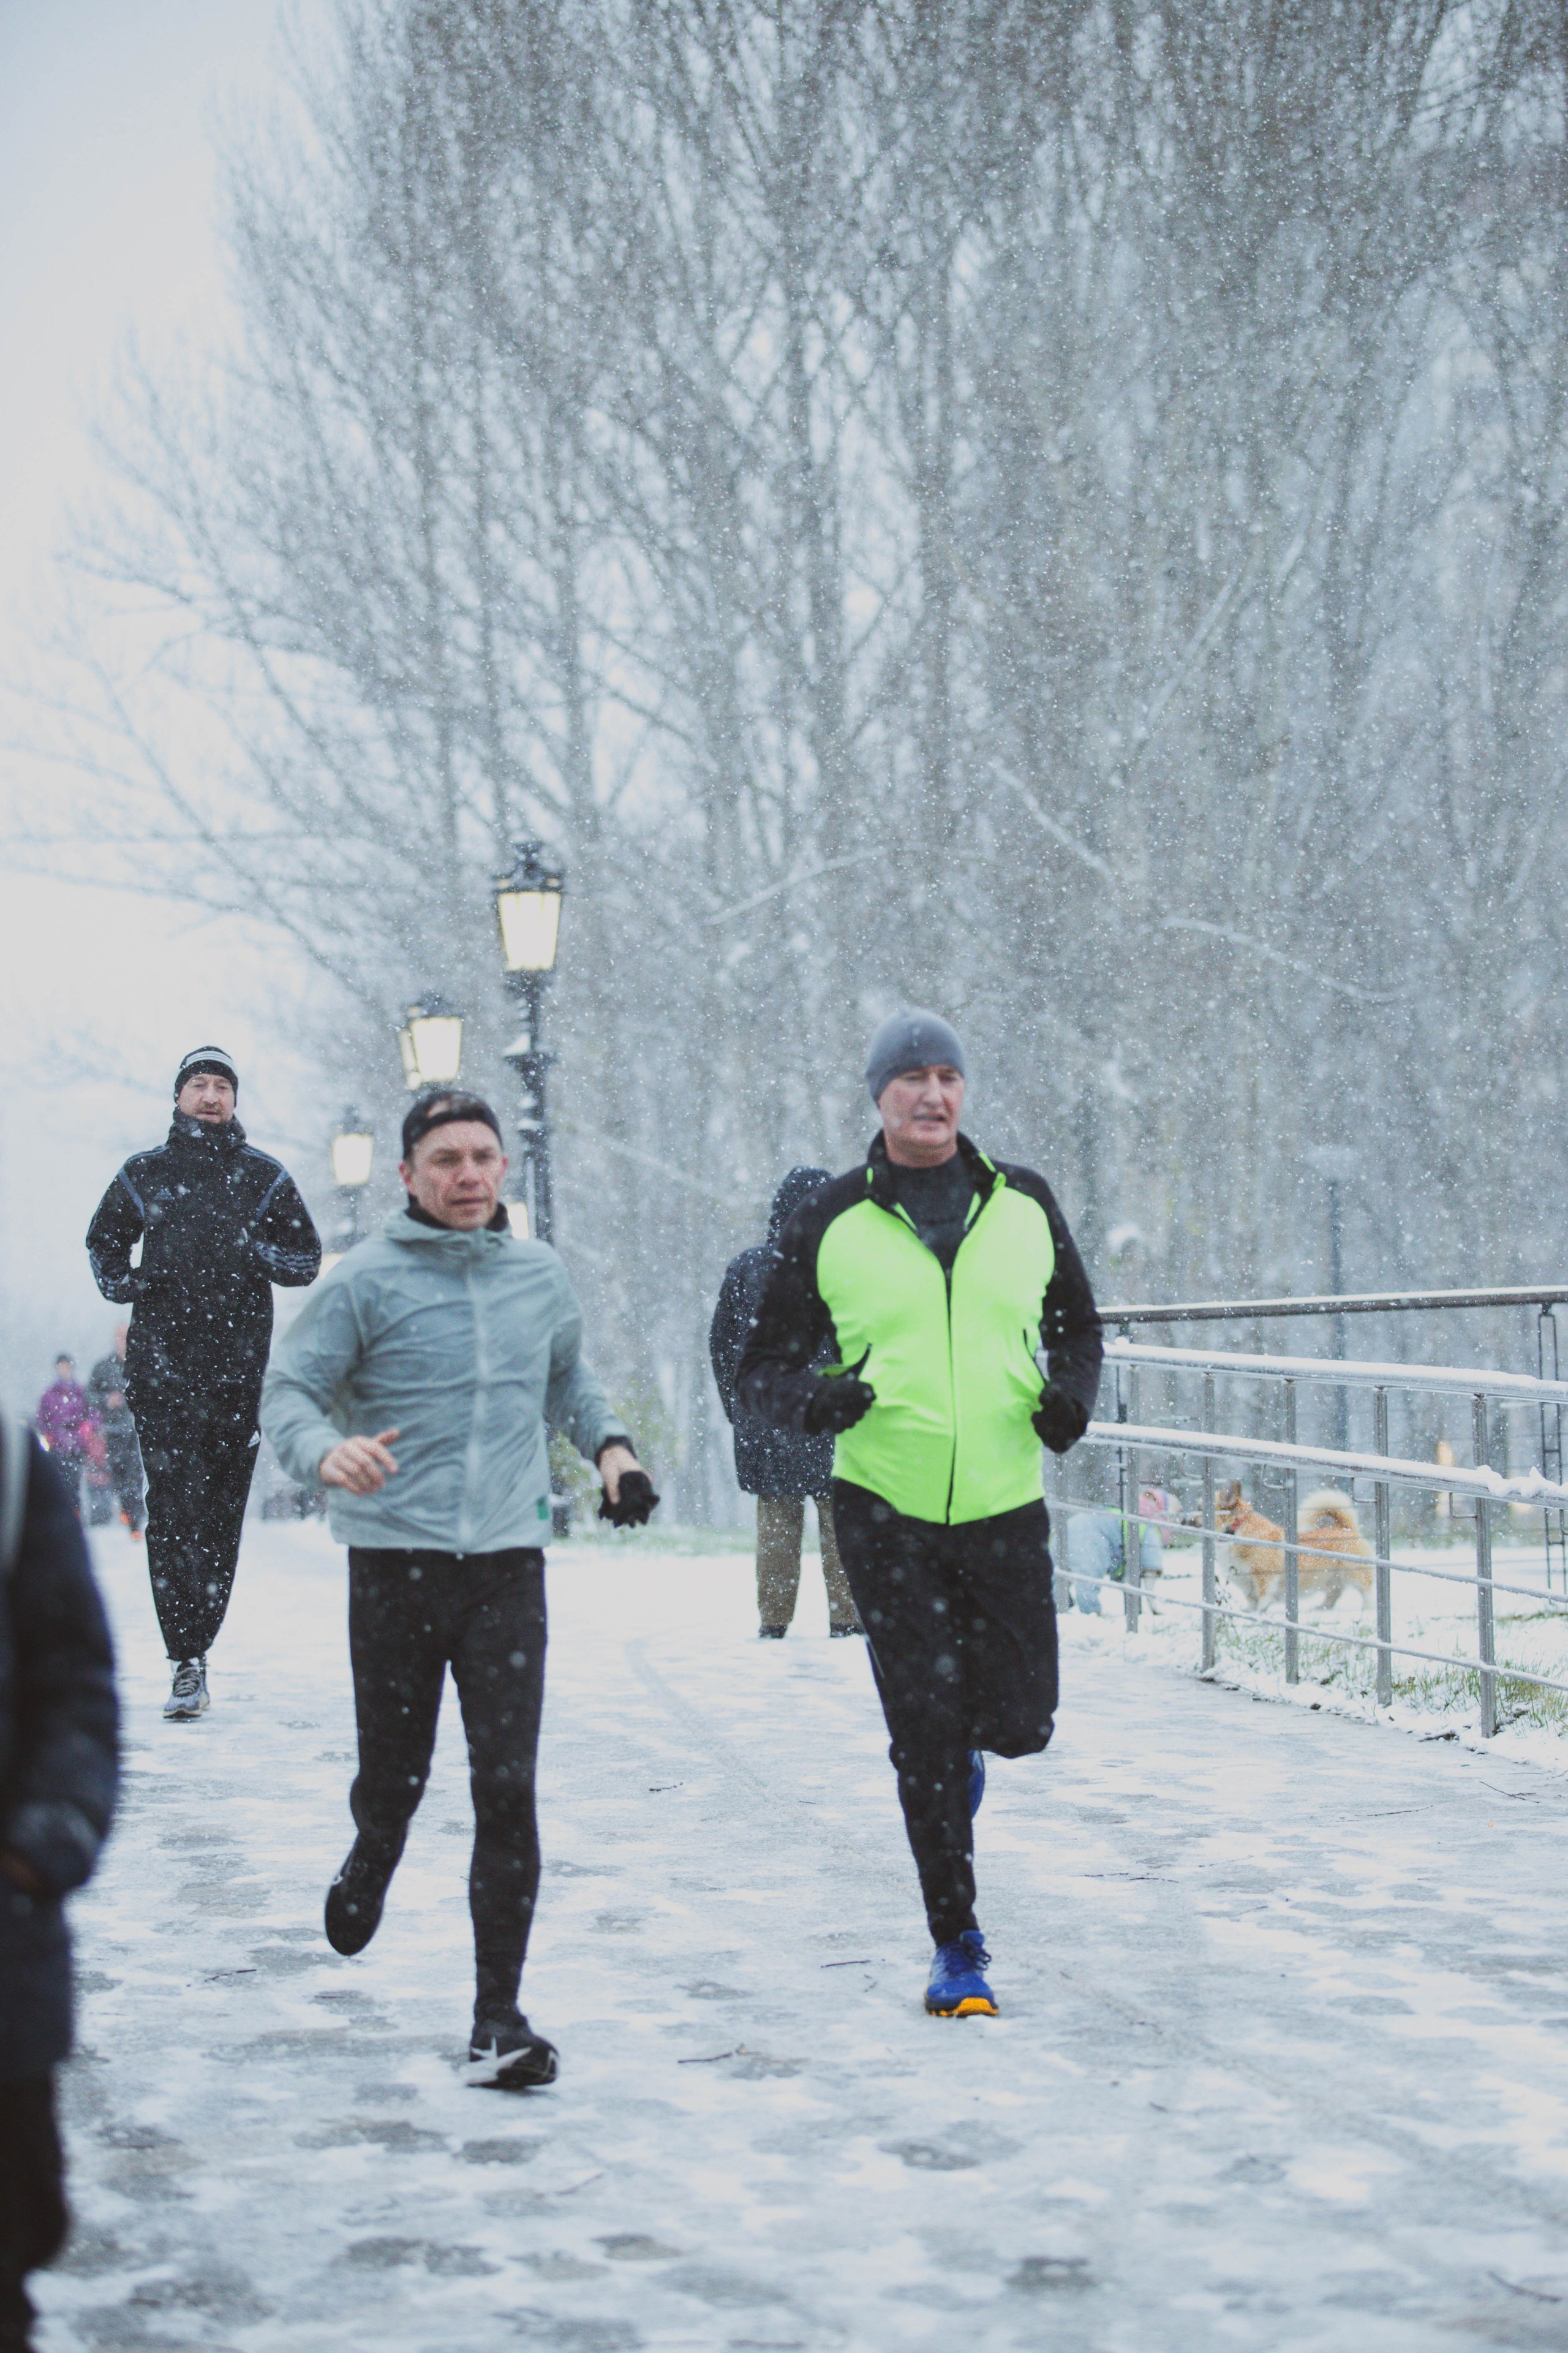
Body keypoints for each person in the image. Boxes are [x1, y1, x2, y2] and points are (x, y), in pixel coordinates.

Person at [261, 1089, 658, 2093]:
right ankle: (372, 1853)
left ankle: (498, 2019)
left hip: (504, 1565)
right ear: (408, 1176)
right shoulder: (364, 1283)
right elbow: (290, 1390)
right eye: (445, 1159)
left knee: (505, 1787)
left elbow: (569, 1381)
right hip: (394, 1562)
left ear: (503, 1168)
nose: (468, 1174)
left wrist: (612, 1452)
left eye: (483, 1156)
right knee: (396, 1779)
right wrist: (324, 1452)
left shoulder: (538, 1275)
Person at [738, 1008, 1102, 2020]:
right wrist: (818, 1401)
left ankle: (967, 1753)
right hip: (884, 1506)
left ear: (964, 1092)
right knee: (925, 1736)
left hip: (1003, 1502)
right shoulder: (831, 1219)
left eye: (948, 1076)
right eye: (912, 1079)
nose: (932, 1095)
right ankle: (958, 1948)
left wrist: (1068, 1393)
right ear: (879, 1097)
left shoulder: (1022, 1202)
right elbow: (760, 1367)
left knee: (1021, 1724)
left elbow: (1078, 1327)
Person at [85, 1046, 322, 1721]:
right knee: (173, 1514)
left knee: (218, 1516)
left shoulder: (263, 1179)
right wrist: (125, 1284)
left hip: (236, 1375)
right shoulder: (144, 1174)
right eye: (199, 1084)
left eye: (222, 1085)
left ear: (235, 1099)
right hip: (162, 1371)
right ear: (179, 1096)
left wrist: (256, 1251)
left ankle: (201, 1641)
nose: (211, 1095)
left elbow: (305, 1258)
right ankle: (184, 1658)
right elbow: (103, 1241)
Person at [0, 1405, 119, 2353]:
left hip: (5, 1935)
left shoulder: (9, 1466)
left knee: (17, 2221)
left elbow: (72, 1673)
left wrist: (50, 1835)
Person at [710, 1168, 861, 1640]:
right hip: (830, 1414)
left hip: (769, 1416)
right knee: (841, 1519)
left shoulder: (746, 1269)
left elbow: (721, 1344)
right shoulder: (844, 1269)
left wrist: (739, 1406)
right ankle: (847, 1619)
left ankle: (774, 1620)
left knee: (777, 1517)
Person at [1060, 1486, 1174, 1615]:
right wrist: (1154, 1606)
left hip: (1071, 1526)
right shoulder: (1149, 1529)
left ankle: (1059, 1606)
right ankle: (1091, 1613)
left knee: (1061, 1573)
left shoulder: (1124, 1515)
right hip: (1089, 1535)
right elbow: (1150, 1573)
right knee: (1088, 1575)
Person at [87, 1326, 145, 1539]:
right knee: (116, 1475)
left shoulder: (141, 1364)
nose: (123, 1340)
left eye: (127, 1336)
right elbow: (89, 1395)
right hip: (111, 1431)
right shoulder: (103, 1367)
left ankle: (135, 1521)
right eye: (120, 1336)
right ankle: (118, 1514)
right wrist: (106, 1400)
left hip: (136, 1430)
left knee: (135, 1476)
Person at [33, 1359, 94, 1518]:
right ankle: (64, 1514)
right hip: (57, 1444)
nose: (64, 1370)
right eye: (61, 1367)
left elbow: (93, 1413)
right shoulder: (50, 1394)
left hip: (77, 1443)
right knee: (60, 1480)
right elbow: (41, 1417)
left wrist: (86, 1429)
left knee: (75, 1482)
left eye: (66, 1367)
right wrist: (48, 1434)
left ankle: (75, 1514)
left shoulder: (81, 1392)